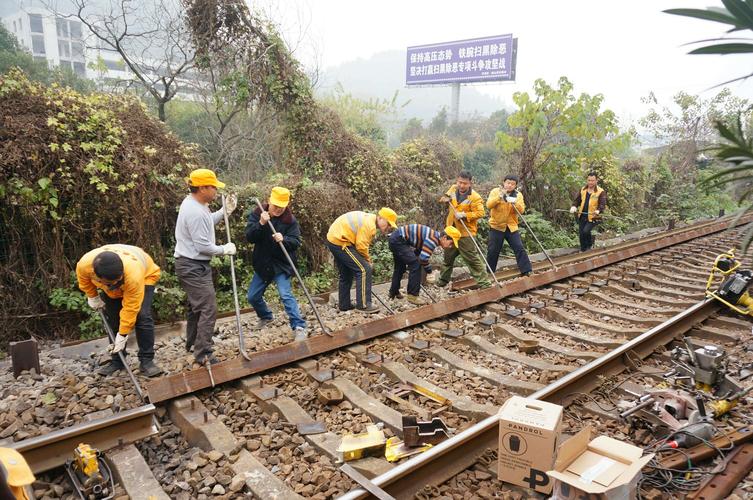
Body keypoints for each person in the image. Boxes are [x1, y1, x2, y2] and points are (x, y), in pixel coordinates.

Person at [174, 168, 237, 365]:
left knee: (196, 308)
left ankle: (192, 343)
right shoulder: (194, 211)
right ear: (202, 188)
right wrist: (224, 249)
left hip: (191, 263)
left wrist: (224, 212)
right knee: (208, 308)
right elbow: (202, 246)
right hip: (192, 265)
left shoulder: (197, 203)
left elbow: (207, 223)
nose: (216, 192)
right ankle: (204, 353)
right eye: (213, 188)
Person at [77, 244, 163, 377]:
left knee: (142, 316)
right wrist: (92, 295)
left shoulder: (133, 275)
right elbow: (84, 280)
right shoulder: (85, 265)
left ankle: (147, 361)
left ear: (121, 273)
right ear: (97, 275)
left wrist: (123, 334)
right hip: (113, 281)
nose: (115, 285)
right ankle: (118, 361)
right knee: (114, 319)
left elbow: (131, 307)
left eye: (117, 281)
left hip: (145, 276)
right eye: (110, 283)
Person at [245, 187, 308, 342]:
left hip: (281, 264)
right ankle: (266, 316)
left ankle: (299, 326)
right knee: (253, 296)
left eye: (282, 206)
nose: (278, 209)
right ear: (270, 201)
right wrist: (261, 223)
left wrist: (284, 239)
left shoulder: (290, 220)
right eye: (276, 206)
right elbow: (250, 237)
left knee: (285, 294)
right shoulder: (257, 214)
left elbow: (296, 241)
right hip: (263, 263)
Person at [327, 208, 398, 313]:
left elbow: (359, 243)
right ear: (380, 218)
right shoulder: (369, 225)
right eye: (388, 224)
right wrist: (367, 261)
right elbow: (361, 246)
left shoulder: (369, 220)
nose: (389, 227)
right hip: (341, 241)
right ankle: (363, 305)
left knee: (346, 273)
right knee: (364, 269)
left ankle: (344, 305)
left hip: (334, 239)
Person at [437, 171, 491, 289]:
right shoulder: (453, 188)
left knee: (471, 259)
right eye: (460, 182)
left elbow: (481, 213)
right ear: (457, 181)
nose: (461, 185)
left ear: (470, 183)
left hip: (465, 232)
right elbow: (444, 198)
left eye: (465, 183)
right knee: (447, 258)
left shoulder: (475, 197)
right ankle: (442, 281)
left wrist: (465, 215)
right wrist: (445, 199)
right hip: (451, 230)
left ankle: (484, 283)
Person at [388, 224, 460, 304]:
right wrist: (429, 271)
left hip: (396, 239)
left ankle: (393, 291)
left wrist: (413, 259)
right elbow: (423, 259)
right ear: (444, 238)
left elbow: (419, 251)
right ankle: (412, 296)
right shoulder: (433, 239)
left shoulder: (433, 236)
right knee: (415, 264)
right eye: (451, 243)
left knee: (400, 268)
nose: (450, 247)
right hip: (398, 240)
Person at [486, 175, 533, 276]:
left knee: (519, 247)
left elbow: (521, 210)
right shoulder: (495, 191)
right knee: (493, 250)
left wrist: (514, 202)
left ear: (515, 185)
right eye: (508, 183)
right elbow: (489, 205)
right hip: (497, 226)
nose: (509, 185)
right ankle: (489, 273)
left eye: (512, 184)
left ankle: (526, 270)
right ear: (504, 182)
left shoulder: (518, 195)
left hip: (511, 226)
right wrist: (499, 197)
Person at [570, 172, 607, 252]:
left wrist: (598, 210)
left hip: (593, 217)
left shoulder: (600, 191)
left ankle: (589, 246)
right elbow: (577, 200)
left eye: (592, 180)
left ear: (596, 180)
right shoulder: (583, 189)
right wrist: (574, 206)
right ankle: (583, 249)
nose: (590, 182)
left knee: (586, 231)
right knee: (581, 233)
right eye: (589, 180)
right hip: (582, 215)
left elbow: (602, 204)